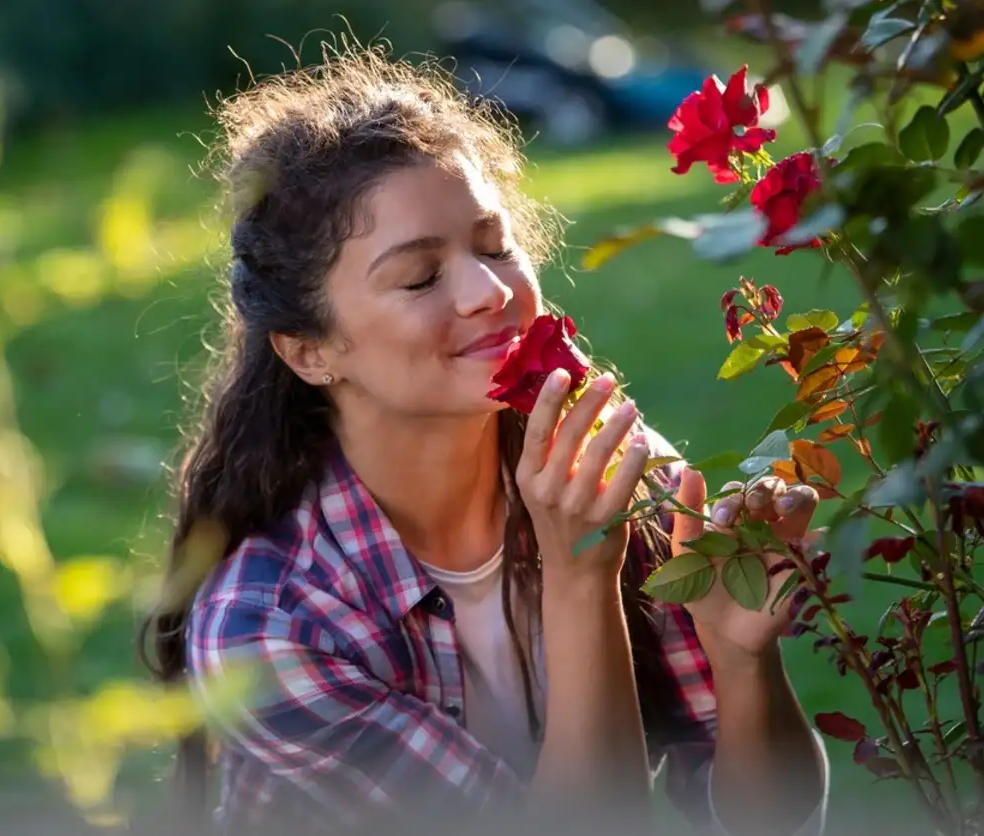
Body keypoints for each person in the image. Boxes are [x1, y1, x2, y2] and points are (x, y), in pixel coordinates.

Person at [137, 42, 829, 836]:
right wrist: (578, 576)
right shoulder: (273, 627)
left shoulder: (615, 479)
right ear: (311, 351)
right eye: (421, 277)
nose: (491, 291)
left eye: (495, 246)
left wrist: (743, 660)